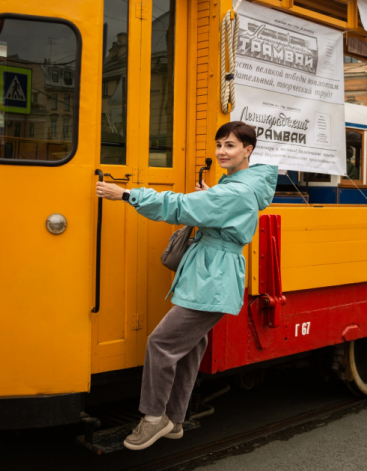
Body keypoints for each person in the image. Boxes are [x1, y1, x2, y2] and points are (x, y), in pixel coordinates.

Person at [95, 121, 277, 450]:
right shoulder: (239, 185)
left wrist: (126, 194)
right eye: (219, 144)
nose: (222, 152)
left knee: (161, 343)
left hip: (212, 277)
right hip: (211, 273)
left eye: (230, 145)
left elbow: (180, 207)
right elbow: (220, 209)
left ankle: (154, 418)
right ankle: (175, 420)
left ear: (248, 150)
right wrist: (211, 197)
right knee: (190, 348)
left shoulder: (234, 191)